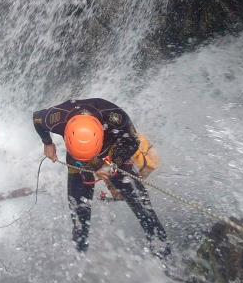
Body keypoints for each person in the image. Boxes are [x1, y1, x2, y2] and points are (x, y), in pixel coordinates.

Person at [33, 97, 169, 255]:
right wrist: (47, 142)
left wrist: (110, 166)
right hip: (77, 162)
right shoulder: (57, 117)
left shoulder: (114, 117)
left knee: (146, 214)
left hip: (112, 153)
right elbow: (36, 118)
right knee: (80, 223)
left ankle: (164, 256)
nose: (91, 162)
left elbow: (132, 142)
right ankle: (80, 257)